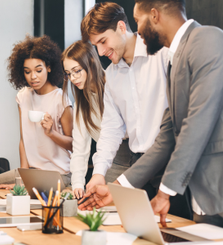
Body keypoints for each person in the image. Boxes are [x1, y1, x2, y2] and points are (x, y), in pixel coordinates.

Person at [80, 0, 223, 228]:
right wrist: (107, 179)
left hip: (183, 168)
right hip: (143, 168)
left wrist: (165, 190)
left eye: (103, 41)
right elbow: (119, 129)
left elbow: (193, 125)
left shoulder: (177, 50)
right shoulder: (115, 75)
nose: (101, 51)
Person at [0, 35, 73, 189]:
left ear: (48, 67)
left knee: (29, 192)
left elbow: (73, 144)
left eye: (38, 70)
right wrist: (23, 176)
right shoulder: (23, 96)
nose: (33, 77)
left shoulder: (61, 100)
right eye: (27, 71)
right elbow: (24, 140)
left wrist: (51, 133)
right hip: (31, 172)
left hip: (57, 174)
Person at [61, 40, 131, 199]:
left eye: (77, 71)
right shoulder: (82, 100)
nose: (73, 78)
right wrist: (77, 183)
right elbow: (80, 146)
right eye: (69, 73)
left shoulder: (114, 84)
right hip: (109, 162)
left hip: (133, 156)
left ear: (91, 63)